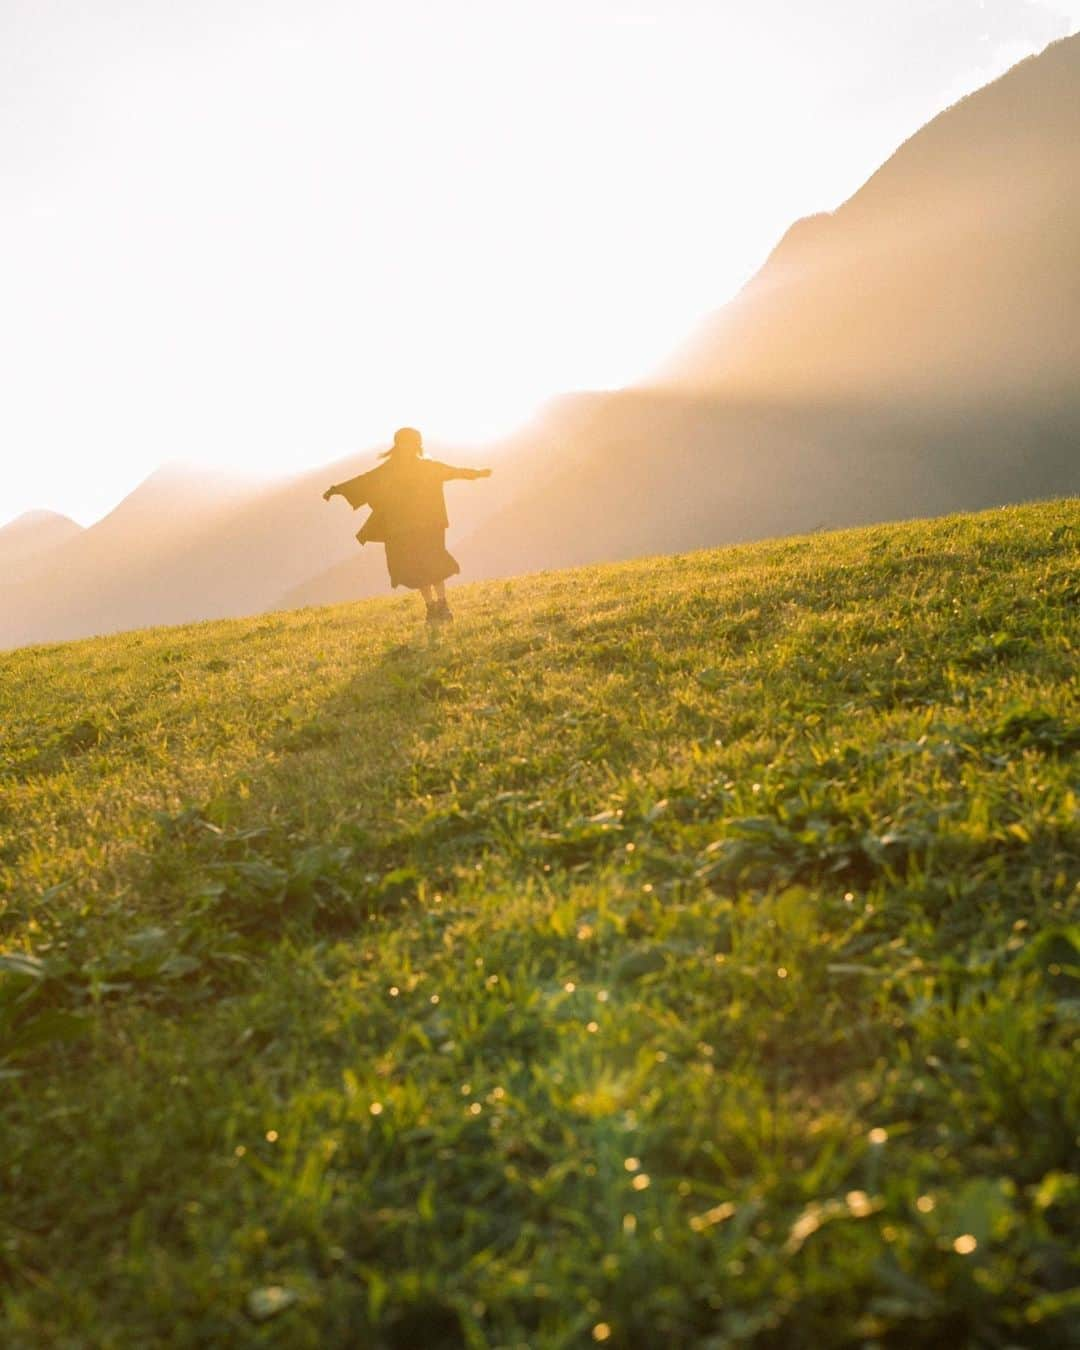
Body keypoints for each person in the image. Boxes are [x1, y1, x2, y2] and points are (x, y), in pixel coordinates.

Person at [323, 427, 492, 624]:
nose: (408, 447)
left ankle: (441, 606)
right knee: (419, 568)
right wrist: (336, 490)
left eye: (410, 443)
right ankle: (433, 608)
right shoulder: (399, 469)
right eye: (406, 443)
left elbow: (454, 472)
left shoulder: (419, 468)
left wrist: (478, 474)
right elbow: (364, 481)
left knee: (432, 564)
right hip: (408, 528)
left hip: (423, 525)